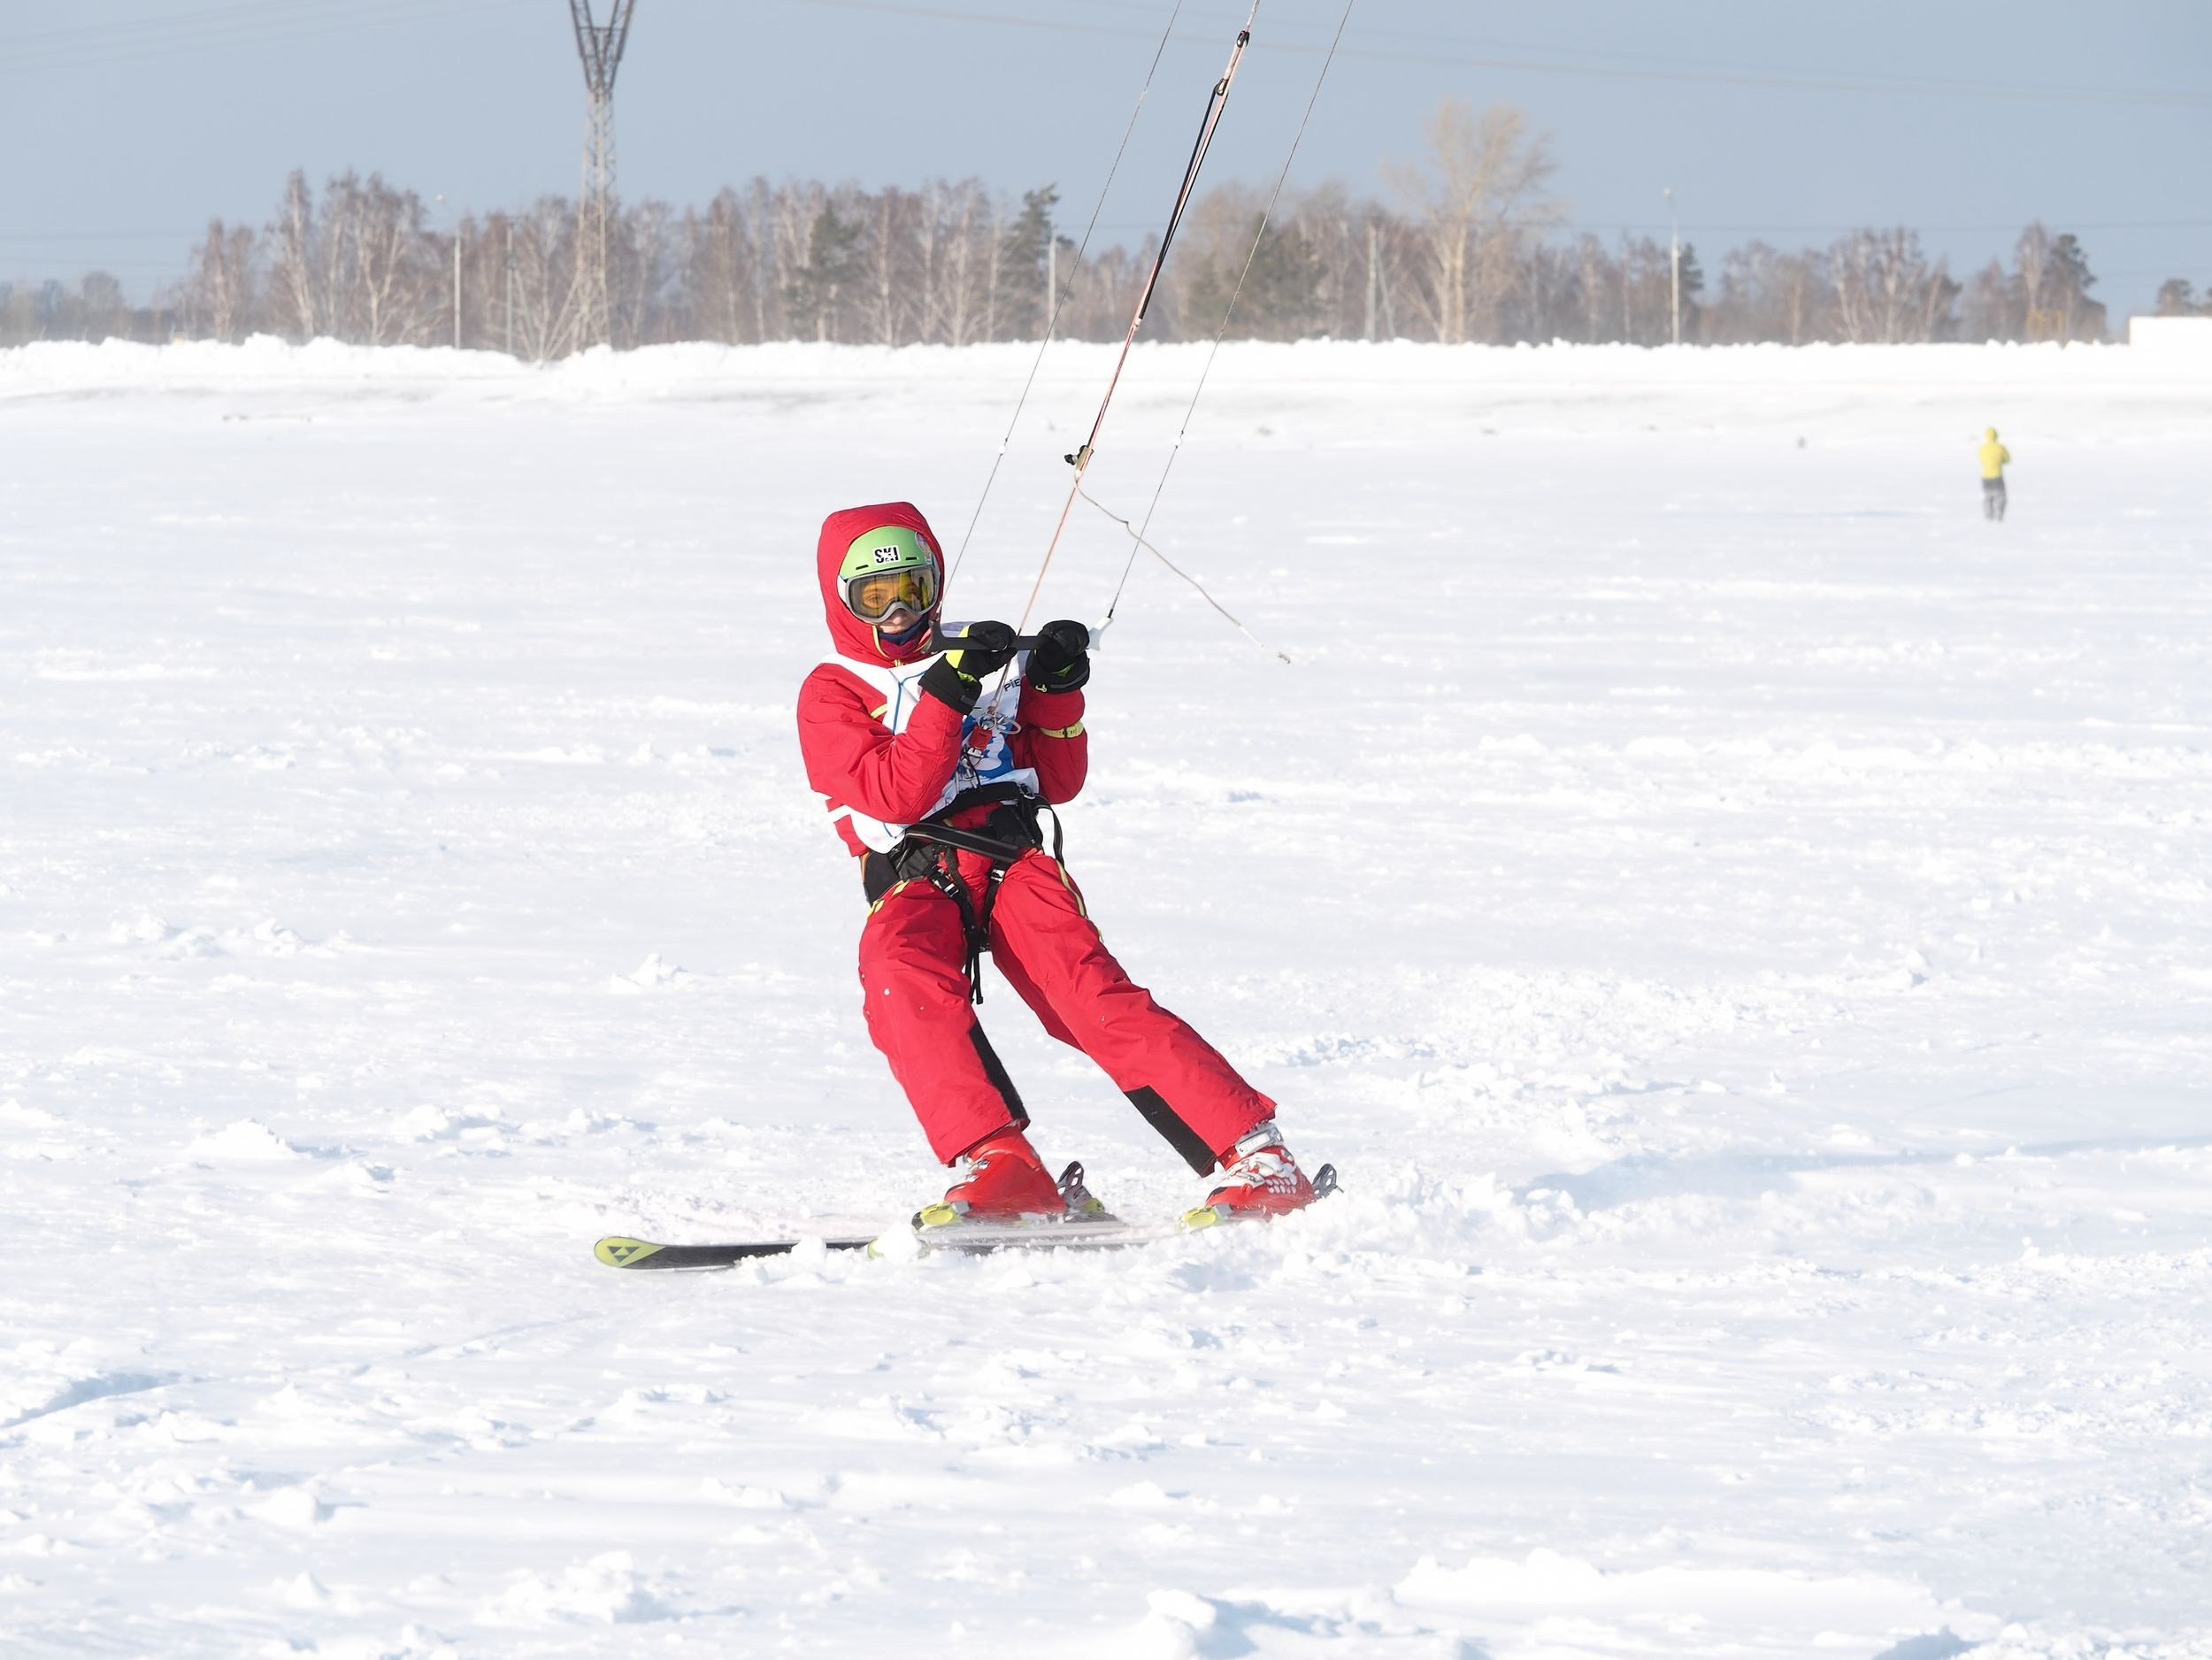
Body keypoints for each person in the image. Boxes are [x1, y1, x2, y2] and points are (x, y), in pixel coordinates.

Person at [795, 502, 1318, 1229]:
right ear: (843, 601)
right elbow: (895, 791)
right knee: (896, 974)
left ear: (934, 585)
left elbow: (1059, 777)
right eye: (873, 599)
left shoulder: (981, 659)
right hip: (916, 874)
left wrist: (1053, 684)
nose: (895, 614)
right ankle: (1002, 1165)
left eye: (910, 591)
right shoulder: (833, 689)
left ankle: (1259, 1158)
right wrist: (948, 693)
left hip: (1012, 861)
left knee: (1090, 996)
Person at [1978, 427, 2011, 521]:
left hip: (1986, 477)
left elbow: (1981, 458)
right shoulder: (2000, 447)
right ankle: (1999, 514)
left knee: (1988, 497)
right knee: (2001, 496)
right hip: (1997, 475)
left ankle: (1989, 517)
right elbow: (2007, 459)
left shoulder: (1982, 448)